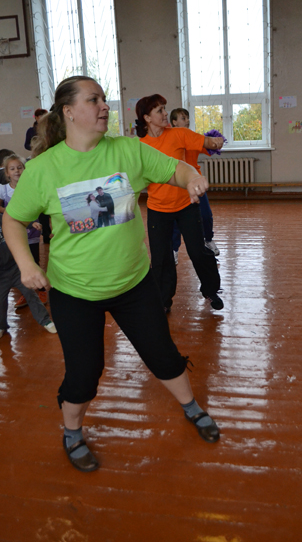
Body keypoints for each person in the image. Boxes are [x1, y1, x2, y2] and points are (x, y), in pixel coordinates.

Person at [3, 75, 220, 474]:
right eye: (94, 99)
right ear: (69, 112)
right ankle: (72, 433)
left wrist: (192, 178)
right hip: (75, 291)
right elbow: (13, 221)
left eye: (104, 98)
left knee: (163, 354)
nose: (105, 105)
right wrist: (28, 264)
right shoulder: (44, 169)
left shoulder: (127, 150)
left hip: (133, 284)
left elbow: (174, 169)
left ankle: (191, 406)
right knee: (85, 373)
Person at [136, 95, 224, 313]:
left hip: (186, 205)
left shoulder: (178, 134)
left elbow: (206, 142)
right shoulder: (140, 146)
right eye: (159, 110)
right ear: (147, 118)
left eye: (164, 108)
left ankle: (211, 291)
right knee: (161, 258)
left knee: (198, 252)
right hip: (158, 209)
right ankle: (163, 300)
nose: (165, 113)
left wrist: (215, 141)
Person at [169, 108, 220, 265]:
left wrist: (216, 141)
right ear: (174, 122)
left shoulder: (192, 137)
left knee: (205, 215)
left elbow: (209, 148)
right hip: (177, 184)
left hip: (195, 182)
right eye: (183, 118)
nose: (187, 121)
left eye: (187, 118)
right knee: (176, 221)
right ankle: (173, 250)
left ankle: (208, 240)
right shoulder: (169, 139)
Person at [0, 154, 47, 307]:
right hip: (13, 233)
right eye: (12, 168)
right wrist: (10, 214)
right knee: (18, 263)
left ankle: (41, 291)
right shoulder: (3, 190)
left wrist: (35, 223)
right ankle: (27, 293)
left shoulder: (31, 187)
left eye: (19, 167)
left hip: (32, 231)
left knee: (33, 260)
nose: (17, 171)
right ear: (7, 173)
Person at [0, 213, 56, 338]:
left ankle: (45, 320)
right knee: (0, 301)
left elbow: (15, 221)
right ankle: (1, 326)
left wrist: (31, 223)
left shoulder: (1, 218)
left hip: (15, 268)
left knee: (30, 294)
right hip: (1, 275)